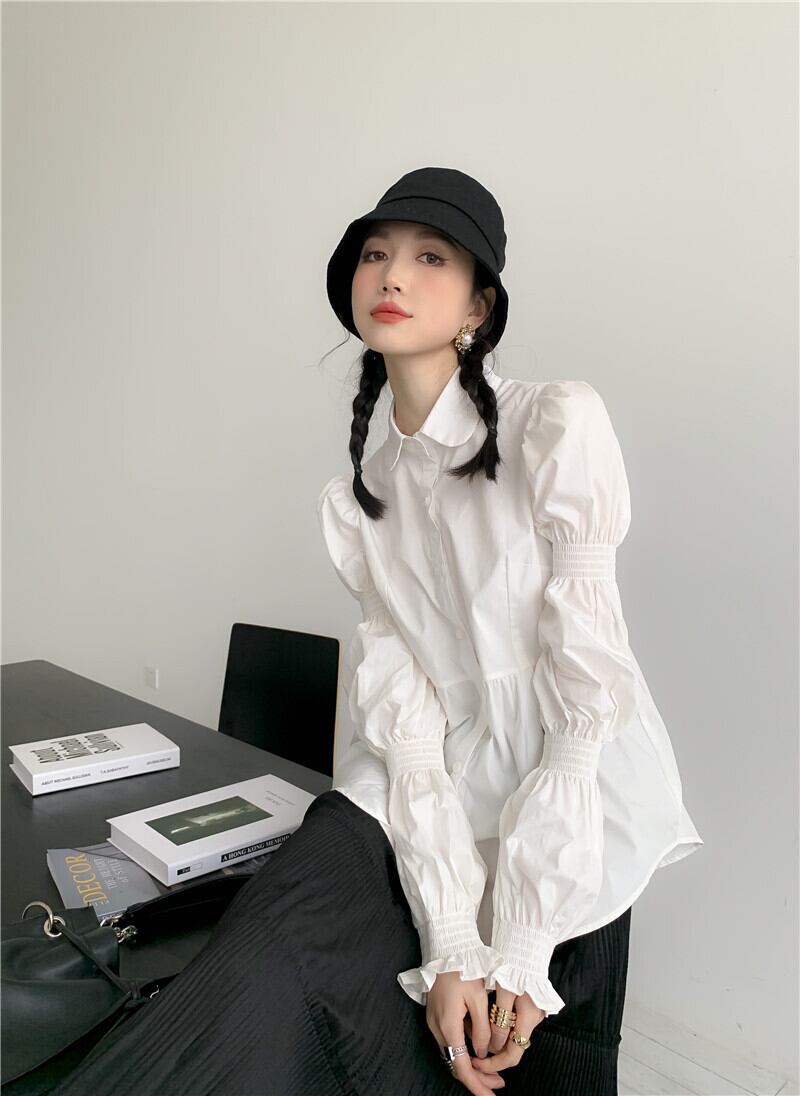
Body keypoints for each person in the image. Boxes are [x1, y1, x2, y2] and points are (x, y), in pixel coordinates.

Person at [51, 167, 703, 1096]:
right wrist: (452, 942)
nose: (392, 275)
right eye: (375, 254)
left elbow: (582, 698)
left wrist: (520, 945)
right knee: (267, 953)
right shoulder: (358, 498)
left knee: (547, 1060)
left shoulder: (554, 425)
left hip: (573, 781)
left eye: (431, 257)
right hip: (426, 782)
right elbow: (409, 720)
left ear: (479, 305)